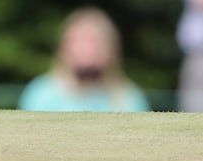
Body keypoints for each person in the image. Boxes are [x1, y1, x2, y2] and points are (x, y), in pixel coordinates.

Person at [18, 7, 150, 113]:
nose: (86, 49)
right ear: (63, 48)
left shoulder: (129, 98)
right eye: (78, 41)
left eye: (93, 41)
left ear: (110, 49)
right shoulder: (41, 94)